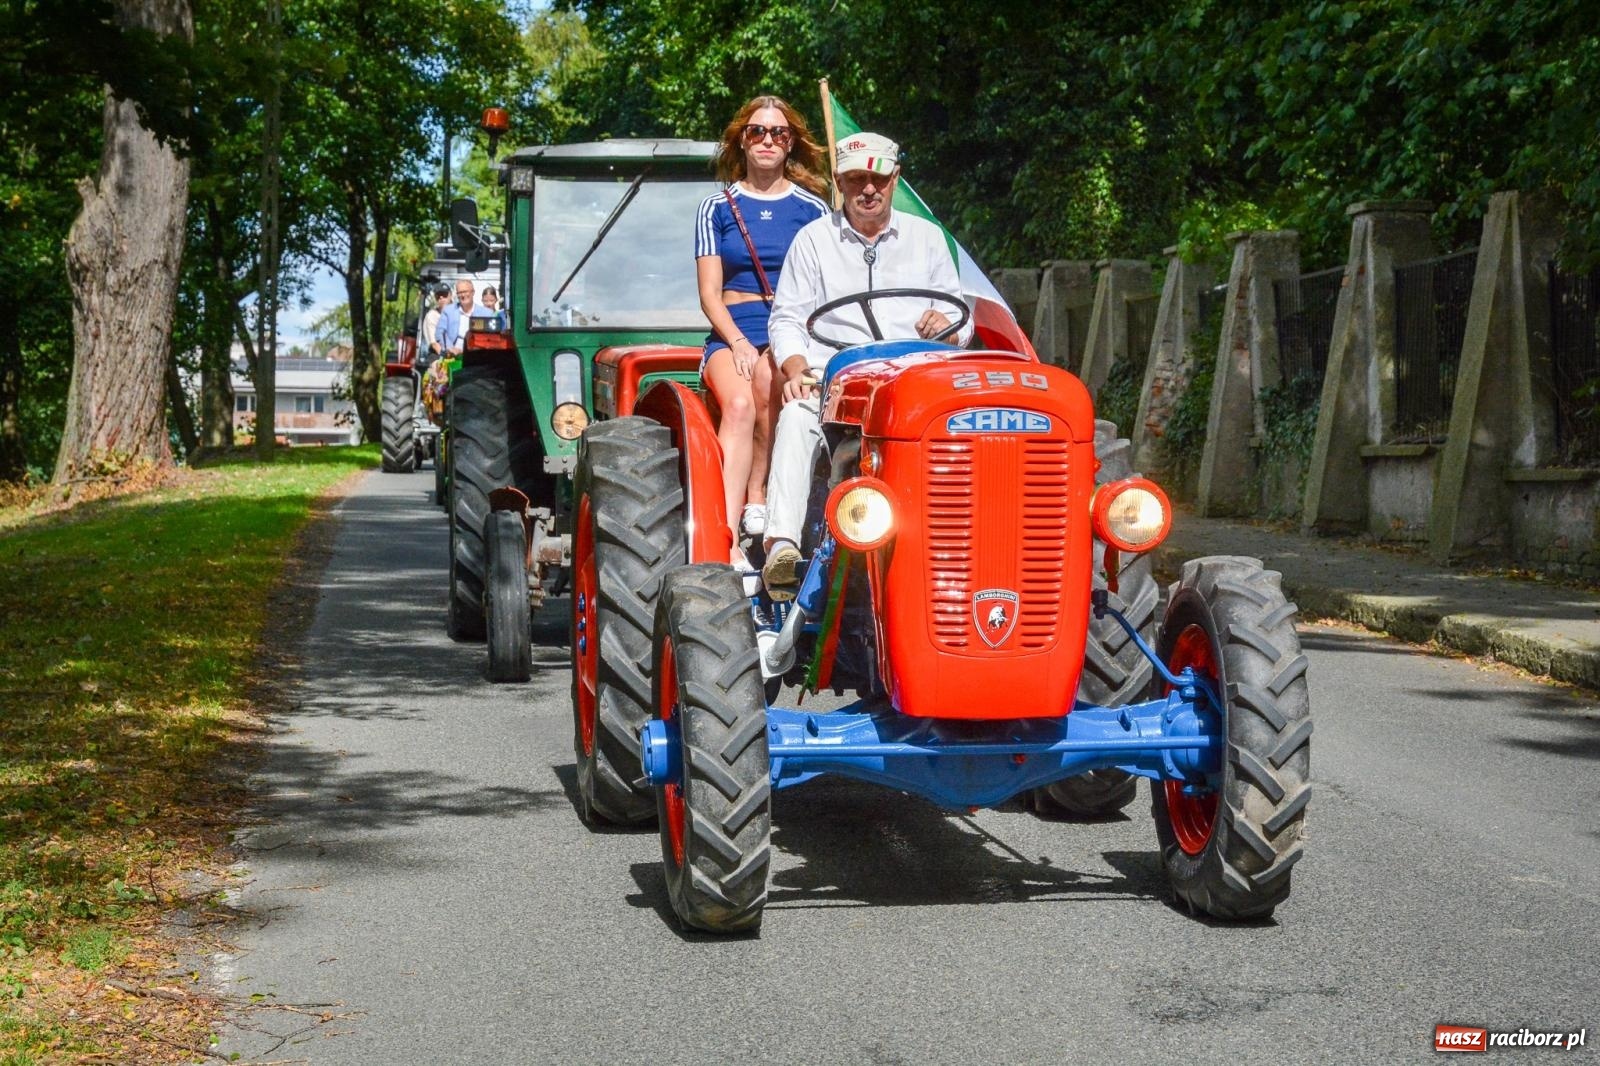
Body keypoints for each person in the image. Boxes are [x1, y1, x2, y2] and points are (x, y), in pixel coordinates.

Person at [761, 131, 972, 597]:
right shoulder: (813, 240)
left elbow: (962, 317)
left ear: (895, 179)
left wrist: (949, 325)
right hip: (837, 386)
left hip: (916, 386)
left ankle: (961, 543)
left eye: (877, 177)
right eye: (856, 179)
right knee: (796, 418)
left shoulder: (928, 238)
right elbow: (788, 319)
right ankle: (781, 547)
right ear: (840, 182)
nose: (868, 189)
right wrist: (797, 370)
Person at [694, 95, 830, 572]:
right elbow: (710, 293)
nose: (767, 140)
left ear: (791, 143)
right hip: (734, 329)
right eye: (757, 132)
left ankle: (766, 502)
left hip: (791, 329)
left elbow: (823, 284)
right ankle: (725, 540)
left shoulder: (813, 209)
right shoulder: (717, 207)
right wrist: (736, 342)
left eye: (778, 133)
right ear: (742, 141)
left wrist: (791, 346)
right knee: (739, 403)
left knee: (782, 387)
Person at [438, 279, 475, 356]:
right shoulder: (448, 311)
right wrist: (450, 348)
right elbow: (440, 333)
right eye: (460, 293)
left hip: (476, 355)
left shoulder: (486, 313)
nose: (463, 295)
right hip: (452, 355)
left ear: (473, 292)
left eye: (465, 291)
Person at [420, 284, 449, 368]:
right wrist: (449, 358)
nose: (441, 298)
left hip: (459, 354)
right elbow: (435, 345)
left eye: (445, 295)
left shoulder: (459, 313)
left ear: (450, 296)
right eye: (438, 296)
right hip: (438, 355)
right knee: (437, 373)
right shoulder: (432, 316)